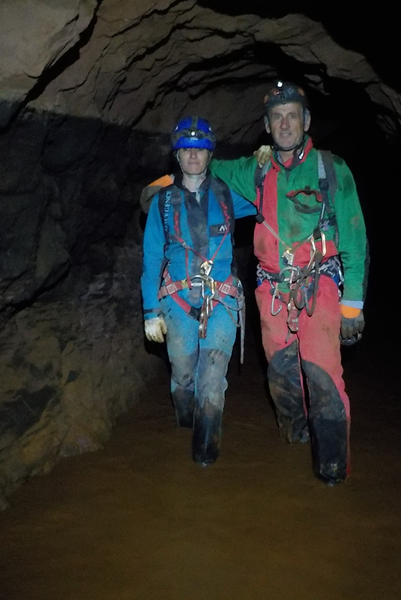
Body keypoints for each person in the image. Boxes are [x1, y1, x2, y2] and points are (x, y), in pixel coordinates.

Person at [208, 82, 369, 485]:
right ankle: (296, 438)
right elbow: (202, 168)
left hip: (321, 285)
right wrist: (163, 188)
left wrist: (353, 304)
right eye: (277, 118)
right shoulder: (256, 170)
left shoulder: (332, 169)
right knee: (280, 372)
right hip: (272, 290)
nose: (285, 124)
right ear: (266, 125)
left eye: (292, 115)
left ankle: (331, 468)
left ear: (306, 121)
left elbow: (354, 237)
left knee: (322, 374)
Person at [141, 116, 256, 466]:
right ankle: (185, 419)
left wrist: (260, 164)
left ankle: (204, 454)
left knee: (212, 376)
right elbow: (150, 258)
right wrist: (150, 312)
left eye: (201, 149)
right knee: (183, 375)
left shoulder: (226, 196)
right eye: (187, 149)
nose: (193, 155)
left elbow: (269, 196)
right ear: (177, 155)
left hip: (221, 302)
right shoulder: (162, 203)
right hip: (176, 302)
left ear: (210, 155)